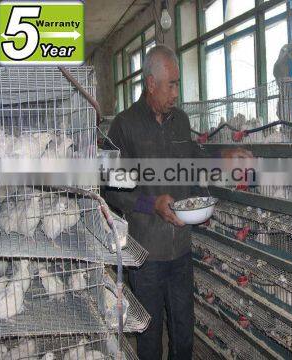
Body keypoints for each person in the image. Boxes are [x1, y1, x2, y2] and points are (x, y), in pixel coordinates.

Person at [104, 45, 205, 360]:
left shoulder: (181, 122)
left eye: (177, 83)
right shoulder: (123, 126)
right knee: (149, 339)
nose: (176, 92)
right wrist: (152, 205)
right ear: (150, 83)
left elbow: (191, 166)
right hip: (146, 255)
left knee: (184, 336)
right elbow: (110, 189)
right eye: (171, 84)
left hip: (181, 251)